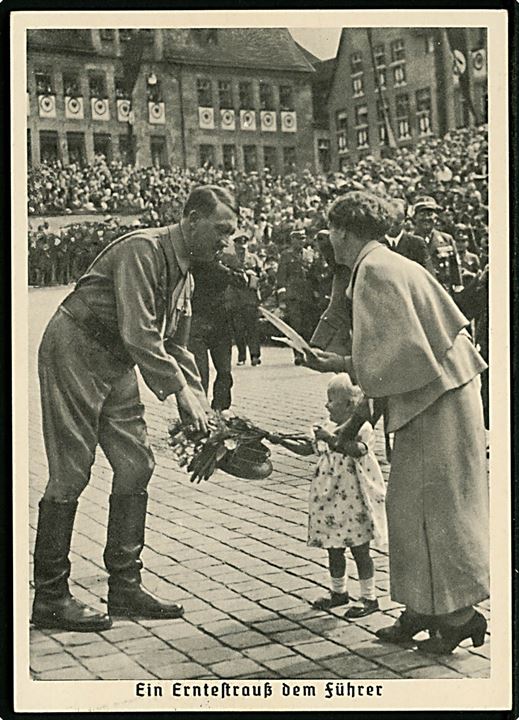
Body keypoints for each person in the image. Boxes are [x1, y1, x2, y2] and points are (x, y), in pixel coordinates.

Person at [33, 185, 237, 632]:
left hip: (117, 360)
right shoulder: (143, 250)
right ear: (192, 218)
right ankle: (50, 596)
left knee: (136, 465)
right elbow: (141, 332)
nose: (227, 242)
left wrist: (199, 402)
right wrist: (178, 393)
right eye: (221, 230)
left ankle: (124, 587)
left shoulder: (187, 273)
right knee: (72, 470)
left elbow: (177, 346)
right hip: (76, 346)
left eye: (232, 234)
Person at [303, 191, 489, 655]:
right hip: (436, 393)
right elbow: (399, 358)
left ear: (343, 231)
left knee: (436, 512)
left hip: (435, 400)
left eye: (330, 230)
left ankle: (458, 617)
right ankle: (423, 609)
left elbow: (394, 362)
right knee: (414, 511)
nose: (329, 238)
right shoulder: (381, 263)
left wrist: (336, 364)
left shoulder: (375, 271)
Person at [309, 375, 386, 617]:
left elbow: (356, 450)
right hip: (331, 499)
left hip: (354, 499)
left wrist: (330, 438)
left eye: (332, 400)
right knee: (333, 547)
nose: (326, 405)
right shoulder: (327, 426)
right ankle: (339, 591)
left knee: (360, 550)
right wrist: (279, 440)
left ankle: (369, 597)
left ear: (350, 405)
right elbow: (308, 448)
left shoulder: (362, 428)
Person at [411, 196, 464, 293]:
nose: (426, 218)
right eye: (422, 214)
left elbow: (455, 268)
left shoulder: (447, 240)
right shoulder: (408, 240)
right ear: (414, 217)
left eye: (430, 214)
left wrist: (457, 286)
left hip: (442, 291)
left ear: (436, 218)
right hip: (418, 292)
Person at [225, 234, 263, 367]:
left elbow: (261, 274)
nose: (242, 249)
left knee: (252, 327)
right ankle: (242, 356)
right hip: (234, 298)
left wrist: (254, 275)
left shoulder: (253, 258)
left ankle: (255, 355)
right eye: (239, 246)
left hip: (249, 298)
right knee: (238, 328)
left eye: (244, 246)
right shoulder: (228, 258)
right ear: (235, 246)